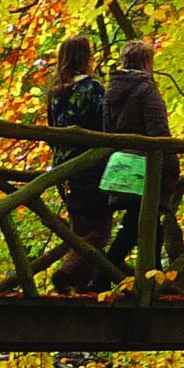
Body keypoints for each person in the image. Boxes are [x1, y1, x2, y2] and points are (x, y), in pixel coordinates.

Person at [102, 39, 179, 275]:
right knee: (141, 223)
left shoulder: (111, 93)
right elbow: (158, 131)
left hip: (121, 165)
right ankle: (105, 274)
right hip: (147, 167)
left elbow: (107, 131)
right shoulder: (145, 90)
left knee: (146, 224)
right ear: (146, 63)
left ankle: (152, 278)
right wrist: (170, 164)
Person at [45, 35, 110, 293]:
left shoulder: (55, 93)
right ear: (86, 57)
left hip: (63, 169)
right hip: (91, 168)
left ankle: (82, 288)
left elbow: (51, 130)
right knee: (100, 230)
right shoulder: (93, 90)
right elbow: (106, 127)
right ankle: (67, 272)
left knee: (79, 230)